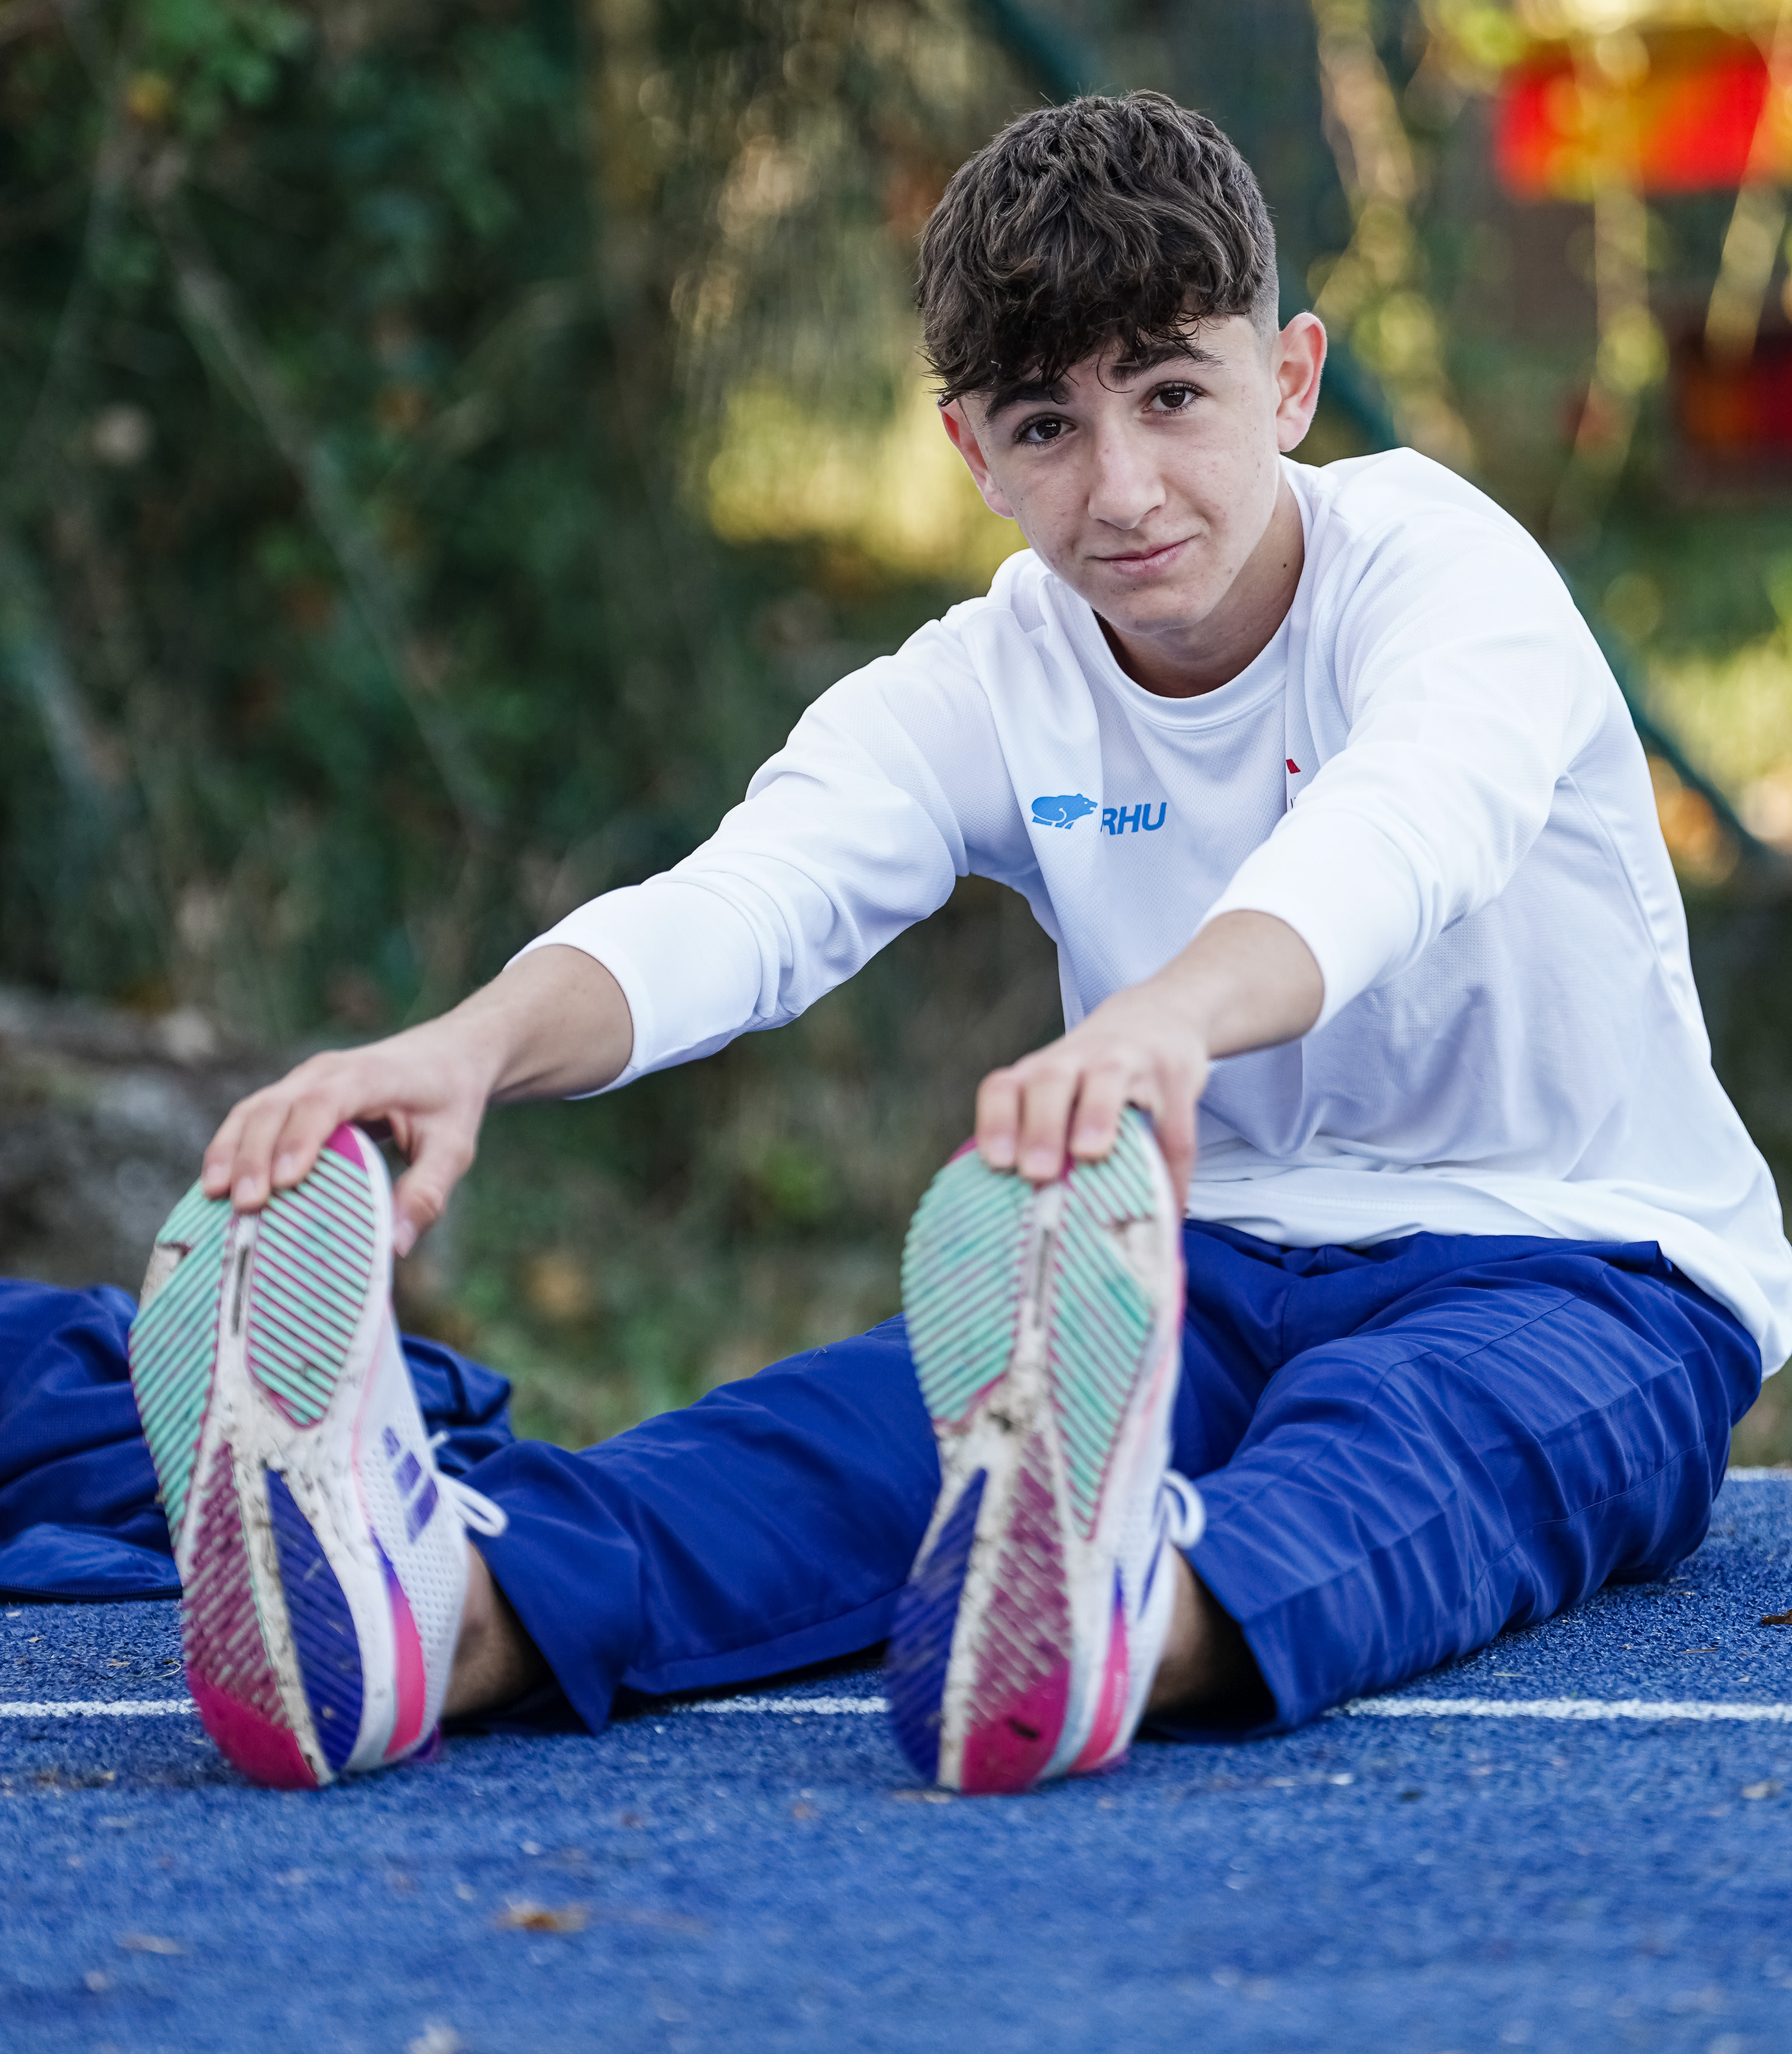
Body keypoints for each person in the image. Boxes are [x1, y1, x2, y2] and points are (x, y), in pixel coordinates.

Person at [126, 92, 1786, 1794]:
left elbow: (1404, 832)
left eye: (1172, 395)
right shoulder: (992, 675)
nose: (1122, 489)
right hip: (1201, 1268)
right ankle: (433, 1607)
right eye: (1048, 426)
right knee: (836, 1446)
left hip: (1578, 1262)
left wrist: (1167, 1021)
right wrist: (465, 1049)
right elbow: (746, 901)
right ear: (973, 455)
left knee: (1406, 1448)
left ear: (1291, 381)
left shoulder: (1447, 573)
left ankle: (1124, 1612)